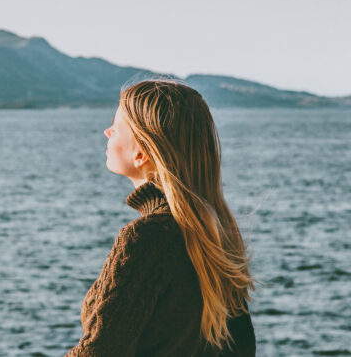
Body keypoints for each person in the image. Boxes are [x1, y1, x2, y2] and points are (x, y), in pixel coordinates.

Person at [65, 79, 257, 356]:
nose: (107, 131)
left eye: (116, 127)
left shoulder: (146, 238)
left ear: (141, 153)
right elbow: (241, 347)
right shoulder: (215, 232)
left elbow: (97, 352)